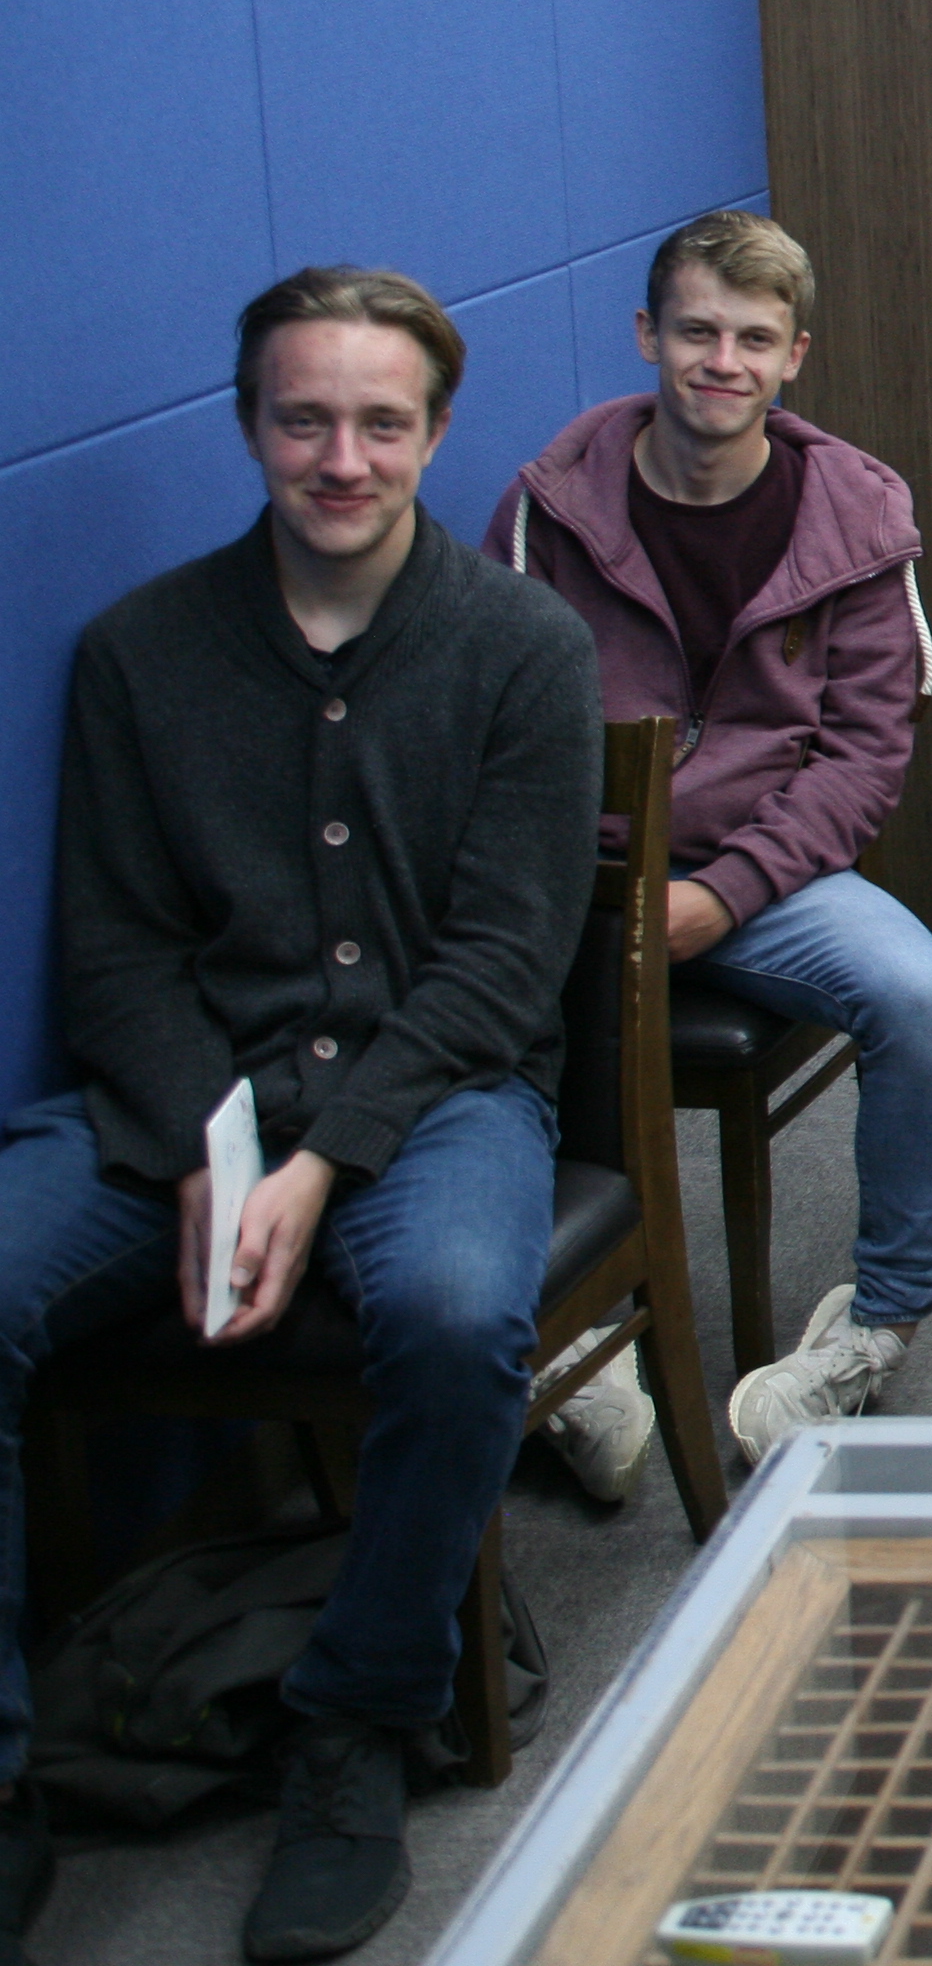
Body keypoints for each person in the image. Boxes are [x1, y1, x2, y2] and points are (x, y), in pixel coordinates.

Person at [9, 270, 600, 1963]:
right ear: (250, 422)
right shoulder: (139, 653)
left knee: (453, 1312)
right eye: (304, 420)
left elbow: (505, 960)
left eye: (381, 423)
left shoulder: (524, 647)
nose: (343, 459)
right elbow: (116, 949)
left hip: (436, 1092)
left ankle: (357, 1722)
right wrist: (213, 1147)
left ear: (435, 431)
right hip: (186, 1100)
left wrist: (328, 1156)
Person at [492, 213, 932, 1469]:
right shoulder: (548, 507)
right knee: (466, 1003)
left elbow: (864, 756)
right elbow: (492, 722)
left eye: (755, 338)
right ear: (646, 334)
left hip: (766, 874)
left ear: (794, 354)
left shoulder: (859, 511)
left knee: (924, 998)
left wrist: (726, 891)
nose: (723, 360)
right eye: (697, 330)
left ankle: (879, 1321)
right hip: (587, 872)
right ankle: (561, 1329)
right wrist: (588, 887)